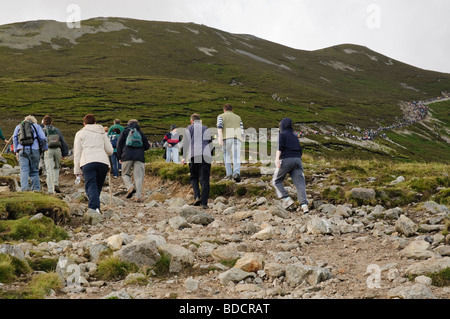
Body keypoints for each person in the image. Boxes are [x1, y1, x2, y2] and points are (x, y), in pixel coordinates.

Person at [73, 114, 114, 214]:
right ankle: (96, 208)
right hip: (103, 162)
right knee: (98, 186)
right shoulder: (102, 132)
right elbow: (110, 150)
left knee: (91, 185)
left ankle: (93, 208)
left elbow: (77, 153)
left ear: (84, 123)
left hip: (87, 162)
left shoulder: (80, 133)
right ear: (95, 122)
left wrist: (77, 171)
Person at [271, 118, 309, 213]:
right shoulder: (295, 136)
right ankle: (304, 206)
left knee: (277, 181)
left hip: (287, 160)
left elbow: (279, 147)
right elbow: (300, 150)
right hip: (298, 160)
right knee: (300, 184)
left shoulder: (282, 135)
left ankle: (287, 199)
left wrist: (277, 159)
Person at [181, 114, 212, 209]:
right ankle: (204, 203)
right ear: (200, 120)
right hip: (205, 155)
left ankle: (197, 196)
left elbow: (185, 143)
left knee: (194, 177)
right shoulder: (206, 128)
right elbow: (210, 143)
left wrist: (183, 157)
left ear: (191, 121)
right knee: (205, 178)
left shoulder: (189, 128)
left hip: (193, 154)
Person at [116, 119, 150, 203]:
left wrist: (119, 157)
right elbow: (147, 146)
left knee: (125, 174)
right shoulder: (140, 133)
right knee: (138, 177)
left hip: (126, 156)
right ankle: (138, 196)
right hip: (139, 157)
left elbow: (119, 145)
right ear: (137, 124)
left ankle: (130, 187)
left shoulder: (124, 132)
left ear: (128, 124)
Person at [12, 115, 48, 192]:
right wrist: (45, 147)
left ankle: (24, 189)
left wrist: (16, 150)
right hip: (34, 150)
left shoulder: (18, 126)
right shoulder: (36, 126)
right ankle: (35, 189)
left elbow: (14, 138)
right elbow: (42, 138)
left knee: (24, 170)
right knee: (34, 171)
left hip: (21, 150)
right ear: (33, 121)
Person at [42, 115, 69, 194]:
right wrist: (64, 153)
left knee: (49, 169)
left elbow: (41, 142)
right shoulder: (56, 130)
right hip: (57, 150)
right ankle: (56, 184)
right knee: (56, 168)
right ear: (51, 122)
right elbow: (63, 141)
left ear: (43, 123)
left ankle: (51, 189)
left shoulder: (43, 130)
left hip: (48, 150)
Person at [217, 104, 244, 182]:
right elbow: (242, 129)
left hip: (226, 138)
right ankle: (236, 173)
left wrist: (220, 139)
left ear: (224, 110)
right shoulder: (238, 117)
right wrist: (241, 138)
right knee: (236, 156)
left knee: (227, 155)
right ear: (232, 110)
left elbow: (220, 127)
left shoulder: (221, 116)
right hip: (237, 138)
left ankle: (229, 174)